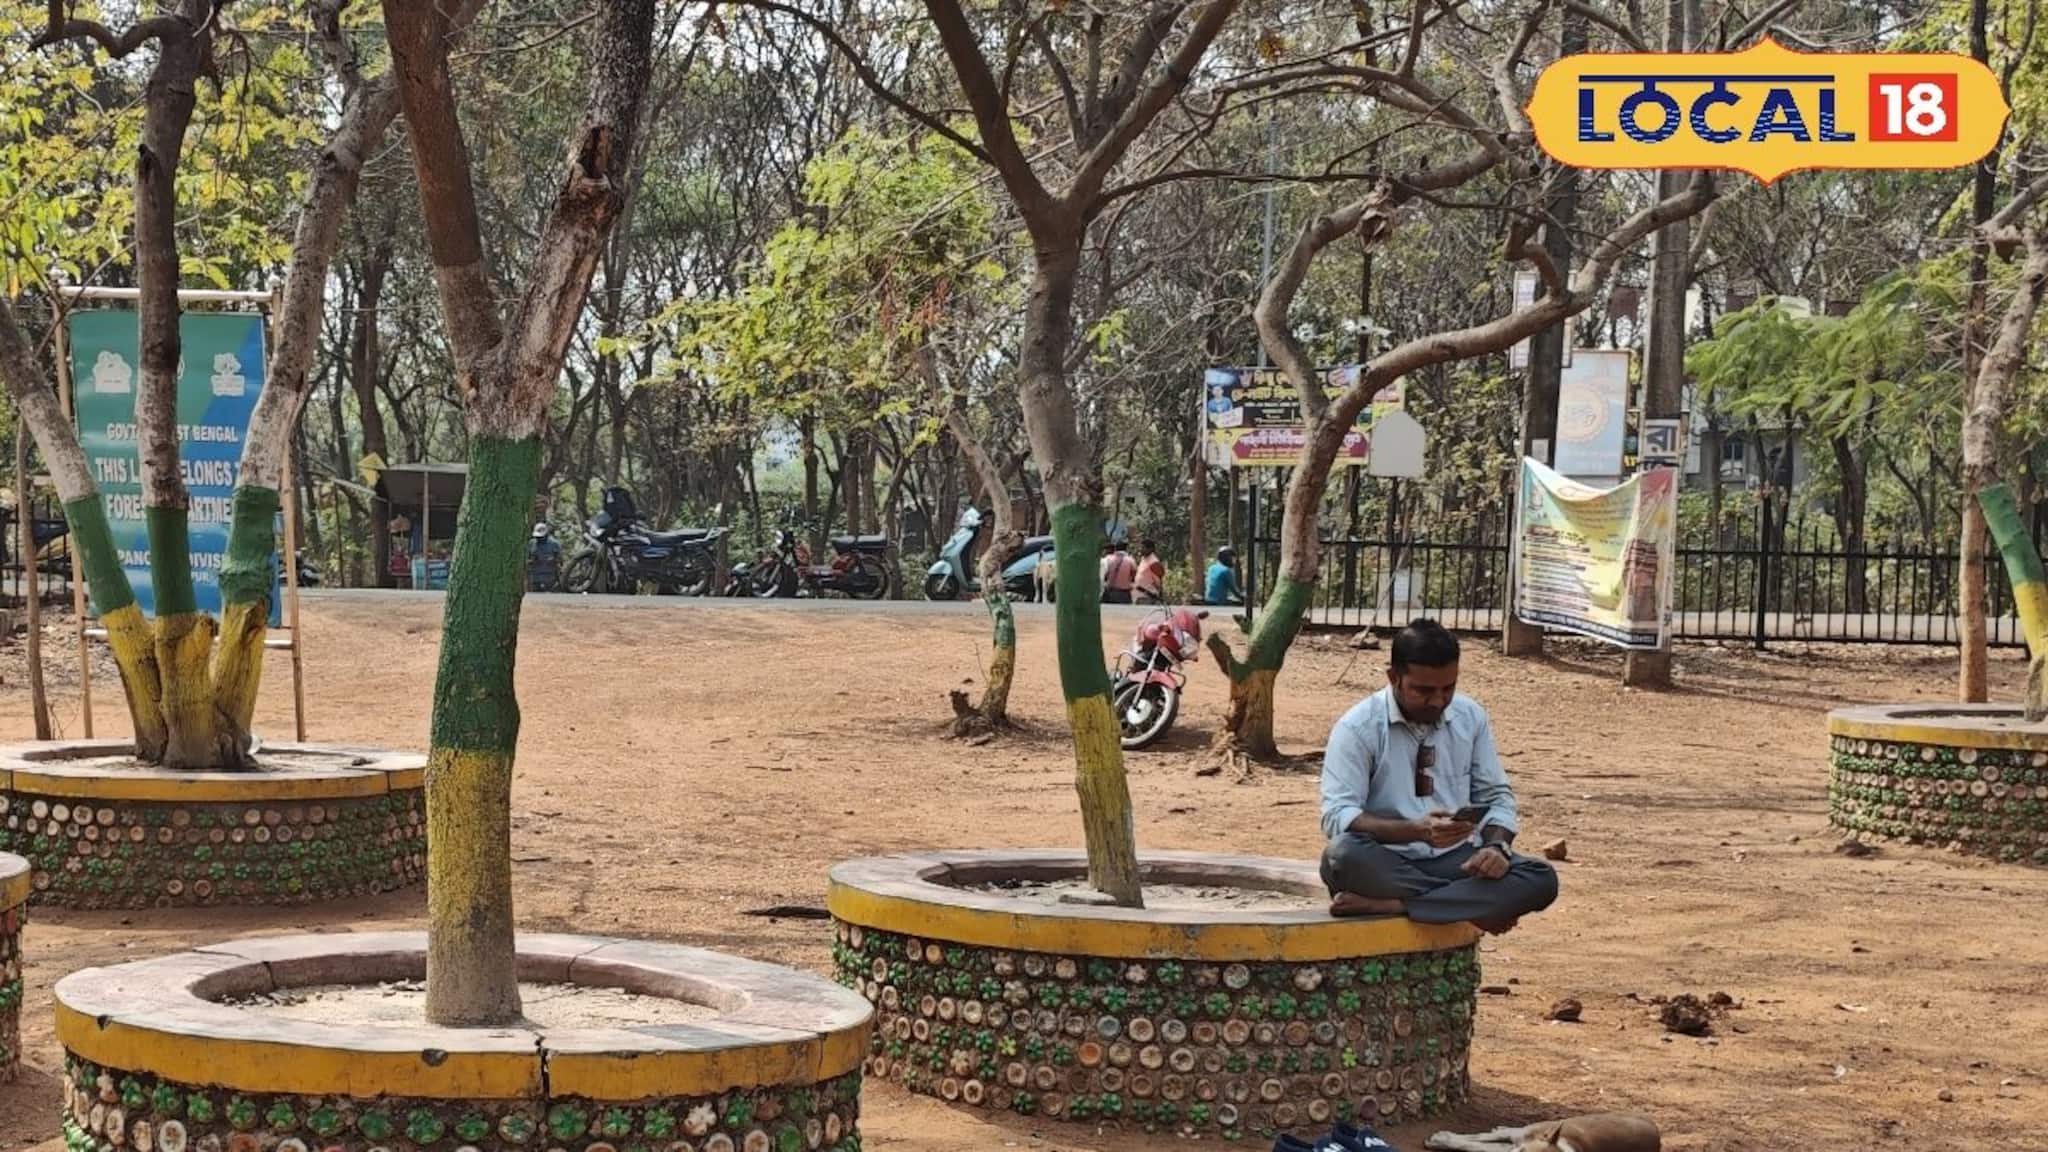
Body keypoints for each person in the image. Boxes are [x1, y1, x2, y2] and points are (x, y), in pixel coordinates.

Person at [1318, 619, 1558, 934]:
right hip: (1386, 861)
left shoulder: (1470, 716)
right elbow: (1337, 816)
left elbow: (1496, 797)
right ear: (1394, 677)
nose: (1438, 701)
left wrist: (1496, 849)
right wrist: (1414, 831)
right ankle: (1468, 905)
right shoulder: (1358, 727)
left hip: (1457, 859)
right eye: (1424, 690)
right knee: (1342, 857)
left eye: (1449, 688)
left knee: (1541, 878)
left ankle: (1399, 906)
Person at [1100, 538, 1137, 604]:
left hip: (1110, 593)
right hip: (1124, 594)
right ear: (1126, 548)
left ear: (1115, 548)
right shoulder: (1131, 560)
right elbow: (1134, 575)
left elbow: (1103, 575)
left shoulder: (1108, 559)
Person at [1134, 539, 1167, 604]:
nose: (1140, 549)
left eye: (1143, 548)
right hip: (1139, 595)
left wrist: (1160, 596)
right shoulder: (1144, 559)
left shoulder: (1154, 562)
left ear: (1150, 549)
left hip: (1148, 597)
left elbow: (1160, 580)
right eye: (1140, 547)